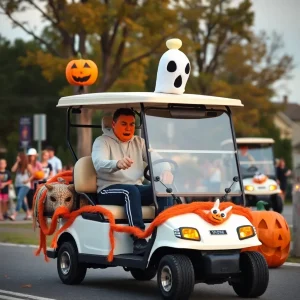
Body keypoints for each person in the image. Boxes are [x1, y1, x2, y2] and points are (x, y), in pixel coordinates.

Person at [92, 108, 173, 254]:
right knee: (131, 191)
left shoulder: (139, 142)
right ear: (114, 124)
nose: (128, 128)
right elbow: (98, 163)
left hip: (134, 189)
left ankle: (166, 232)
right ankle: (139, 239)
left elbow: (156, 159)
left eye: (131, 124)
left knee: (165, 188)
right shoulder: (102, 141)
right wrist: (116, 164)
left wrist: (166, 170)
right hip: (108, 189)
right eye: (124, 124)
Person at [9, 153, 32, 221]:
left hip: (25, 185)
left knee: (19, 198)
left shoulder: (28, 165)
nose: (17, 157)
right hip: (17, 185)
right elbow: (12, 170)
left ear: (22, 158)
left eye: (18, 157)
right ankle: (28, 214)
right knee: (21, 200)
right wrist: (17, 162)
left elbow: (33, 174)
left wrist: (27, 180)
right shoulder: (18, 165)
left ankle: (14, 215)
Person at [25, 148, 43, 219]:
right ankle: (30, 213)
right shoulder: (27, 164)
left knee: (34, 199)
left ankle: (32, 213)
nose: (31, 157)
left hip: (36, 184)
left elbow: (41, 174)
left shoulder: (38, 164)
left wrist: (35, 175)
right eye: (30, 156)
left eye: (33, 156)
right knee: (29, 199)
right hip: (28, 185)